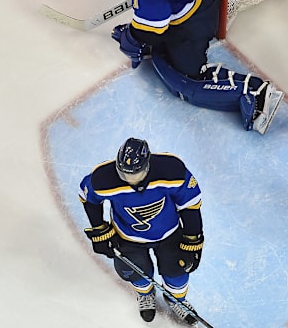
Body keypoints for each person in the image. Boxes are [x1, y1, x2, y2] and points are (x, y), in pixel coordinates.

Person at [110, 0, 284, 135]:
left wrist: (132, 37)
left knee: (187, 82)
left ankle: (256, 96)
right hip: (211, 2)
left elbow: (153, 28)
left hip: (190, 29)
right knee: (160, 50)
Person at [79, 137, 204, 324]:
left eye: (135, 175)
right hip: (127, 237)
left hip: (169, 233)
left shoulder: (172, 171)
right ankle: (146, 295)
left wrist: (193, 238)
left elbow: (190, 203)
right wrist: (99, 231)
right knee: (135, 273)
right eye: (124, 174)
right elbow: (88, 198)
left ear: (147, 166)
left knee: (177, 272)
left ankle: (176, 299)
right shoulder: (102, 179)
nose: (130, 180)